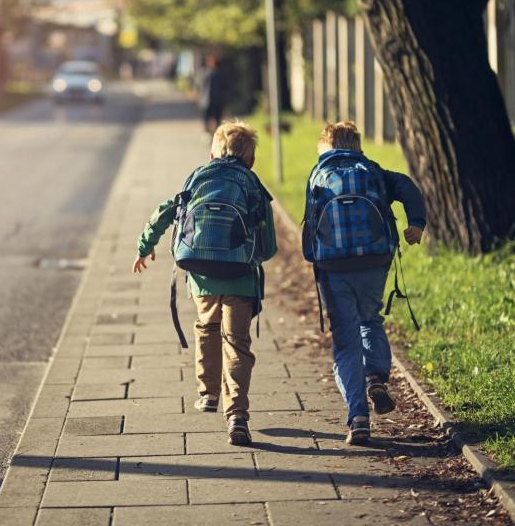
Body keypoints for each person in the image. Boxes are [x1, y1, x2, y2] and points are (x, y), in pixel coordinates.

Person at [131, 121, 278, 445]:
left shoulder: (199, 176)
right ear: (250, 159)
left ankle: (208, 392)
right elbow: (267, 240)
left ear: (213, 151)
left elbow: (167, 210)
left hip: (201, 273)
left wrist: (145, 246)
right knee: (237, 343)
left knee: (207, 328)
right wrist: (258, 256)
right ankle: (237, 414)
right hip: (239, 275)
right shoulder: (251, 182)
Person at [302, 122, 426, 445]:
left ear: (325, 147)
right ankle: (376, 376)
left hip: (334, 266)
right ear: (357, 145)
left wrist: (314, 259)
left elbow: (308, 228)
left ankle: (358, 417)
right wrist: (416, 224)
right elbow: (408, 187)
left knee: (345, 337)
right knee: (370, 319)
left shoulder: (318, 174)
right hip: (374, 260)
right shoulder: (372, 169)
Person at [202, 56, 230, 134]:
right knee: (207, 117)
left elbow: (225, 87)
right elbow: (202, 87)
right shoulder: (206, 73)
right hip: (208, 99)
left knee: (217, 118)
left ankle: (216, 133)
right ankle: (207, 131)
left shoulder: (219, 74)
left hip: (217, 100)